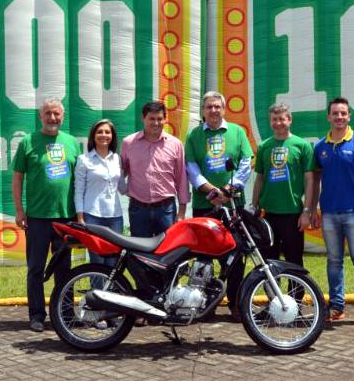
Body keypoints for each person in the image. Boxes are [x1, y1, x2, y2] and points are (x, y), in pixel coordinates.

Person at [12, 98, 82, 333]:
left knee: (64, 270)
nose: (53, 118)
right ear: (40, 116)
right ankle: (36, 315)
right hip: (37, 218)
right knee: (35, 269)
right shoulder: (27, 142)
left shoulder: (72, 143)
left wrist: (80, 214)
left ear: (63, 116)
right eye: (48, 113)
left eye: (57, 114)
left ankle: (65, 314)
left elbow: (80, 180)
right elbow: (17, 178)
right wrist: (19, 210)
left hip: (65, 217)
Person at [311, 97, 354, 329]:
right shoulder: (320, 147)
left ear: (349, 116)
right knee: (334, 261)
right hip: (329, 214)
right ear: (328, 117)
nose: (339, 117)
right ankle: (336, 307)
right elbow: (315, 180)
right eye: (335, 113)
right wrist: (312, 208)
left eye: (343, 113)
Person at [185, 91, 253, 320]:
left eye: (217, 106)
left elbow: (246, 162)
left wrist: (227, 191)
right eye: (209, 107)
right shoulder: (194, 135)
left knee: (235, 255)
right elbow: (191, 167)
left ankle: (236, 303)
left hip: (233, 204)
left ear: (224, 109)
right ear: (203, 111)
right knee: (203, 257)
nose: (213, 110)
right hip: (204, 205)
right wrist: (211, 190)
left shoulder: (237, 132)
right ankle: (204, 304)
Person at [252, 103, 314, 267]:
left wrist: (306, 211)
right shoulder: (264, 146)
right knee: (268, 261)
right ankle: (272, 286)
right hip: (267, 213)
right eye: (274, 119)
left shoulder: (302, 146)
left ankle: (295, 286)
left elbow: (310, 180)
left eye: (281, 119)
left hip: (292, 213)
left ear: (290, 120)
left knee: (294, 260)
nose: (278, 123)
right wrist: (254, 206)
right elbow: (259, 178)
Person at [120, 101, 190, 238]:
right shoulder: (128, 143)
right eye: (151, 118)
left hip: (166, 209)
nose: (156, 123)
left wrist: (182, 213)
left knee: (168, 249)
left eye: (159, 119)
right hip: (138, 209)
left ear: (165, 119)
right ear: (143, 118)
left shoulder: (175, 144)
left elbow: (181, 178)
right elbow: (121, 172)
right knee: (139, 249)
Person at [74, 119, 125, 268]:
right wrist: (80, 217)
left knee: (113, 261)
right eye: (99, 132)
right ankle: (95, 284)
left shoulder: (117, 159)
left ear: (112, 136)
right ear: (93, 136)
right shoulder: (84, 159)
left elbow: (122, 187)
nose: (104, 135)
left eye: (107, 132)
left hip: (115, 217)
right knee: (97, 261)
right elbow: (78, 190)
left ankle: (110, 285)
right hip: (92, 216)